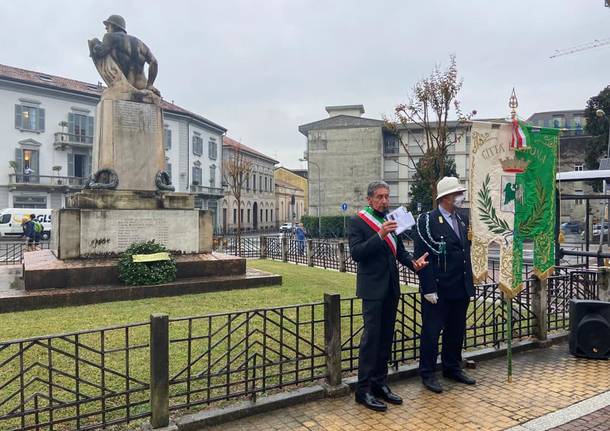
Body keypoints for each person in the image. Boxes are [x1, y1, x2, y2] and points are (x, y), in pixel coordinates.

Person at [348, 180, 429, 412]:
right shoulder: (358, 221)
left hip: (391, 287)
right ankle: (362, 391)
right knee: (371, 339)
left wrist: (414, 264)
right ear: (370, 199)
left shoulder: (391, 220)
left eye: (387, 196)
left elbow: (399, 251)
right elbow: (356, 253)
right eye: (380, 197)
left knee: (386, 337)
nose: (384, 201)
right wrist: (380, 235)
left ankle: (379, 384)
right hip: (372, 289)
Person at [413, 176, 477, 394]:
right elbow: (422, 257)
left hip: (460, 286)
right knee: (432, 332)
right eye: (457, 194)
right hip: (439, 289)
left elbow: (464, 253)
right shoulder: (426, 221)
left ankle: (452, 367)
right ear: (446, 197)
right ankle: (428, 373)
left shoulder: (461, 220)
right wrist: (428, 287)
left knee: (456, 330)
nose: (460, 197)